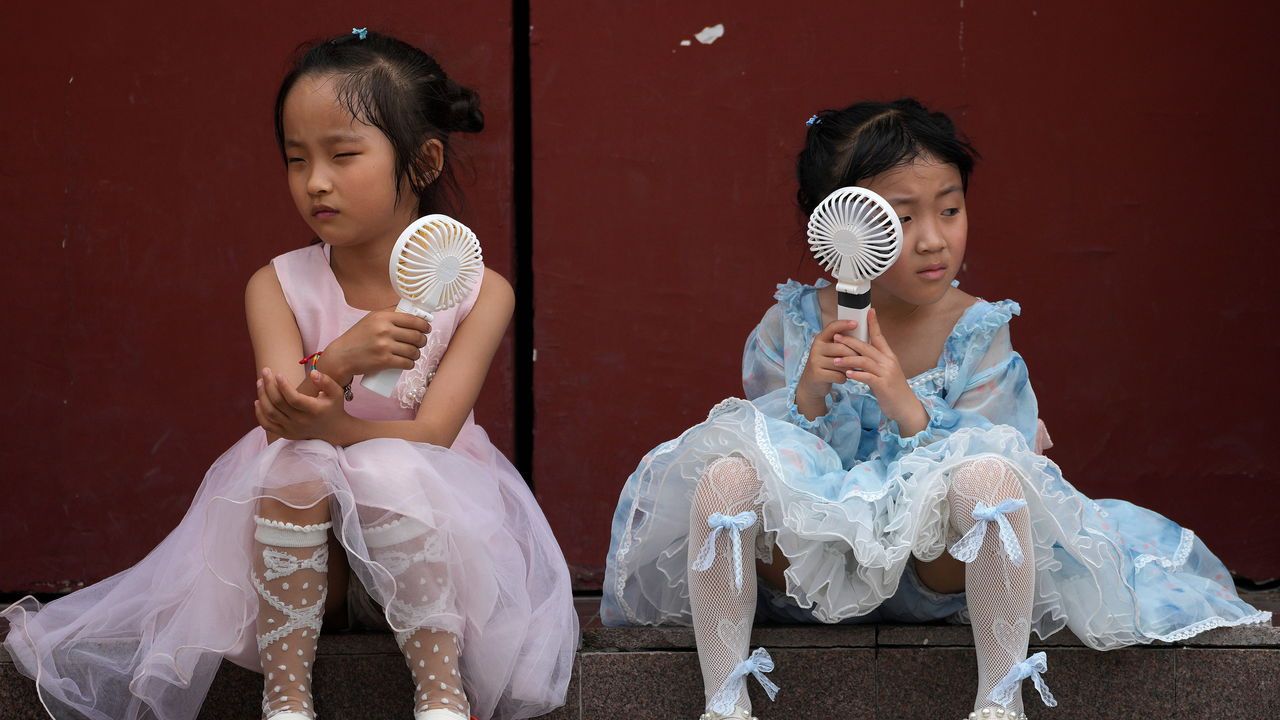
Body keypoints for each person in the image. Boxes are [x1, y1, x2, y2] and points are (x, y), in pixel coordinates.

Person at [601, 97, 1271, 720]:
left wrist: (903, 403)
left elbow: (1004, 458)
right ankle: (725, 702)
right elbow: (769, 452)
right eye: (900, 216)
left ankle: (999, 700)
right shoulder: (794, 323)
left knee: (986, 480)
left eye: (949, 210)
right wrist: (806, 394)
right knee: (725, 473)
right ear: (839, 228)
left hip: (934, 572)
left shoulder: (977, 327)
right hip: (810, 570)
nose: (931, 238)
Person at [2, 28, 578, 720]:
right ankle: (286, 696)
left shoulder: (479, 292)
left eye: (342, 155)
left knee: (388, 468)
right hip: (314, 560)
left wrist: (332, 422)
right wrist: (341, 359)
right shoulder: (275, 285)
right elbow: (281, 414)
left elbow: (431, 431)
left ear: (422, 163)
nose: (315, 182)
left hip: (434, 538)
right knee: (293, 466)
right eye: (296, 159)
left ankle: (442, 693)